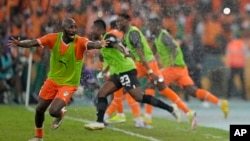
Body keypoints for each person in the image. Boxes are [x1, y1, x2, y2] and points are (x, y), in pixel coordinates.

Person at [8, 18, 107, 141]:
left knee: (53, 111)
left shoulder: (79, 41)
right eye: (70, 27)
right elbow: (34, 42)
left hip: (69, 84)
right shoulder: (53, 38)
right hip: (52, 80)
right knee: (39, 109)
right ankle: (38, 137)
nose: (74, 30)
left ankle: (60, 113)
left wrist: (99, 44)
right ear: (63, 29)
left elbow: (90, 44)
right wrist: (20, 44)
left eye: (75, 27)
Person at [84, 19, 180, 130]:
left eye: (93, 28)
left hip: (126, 70)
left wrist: (124, 52)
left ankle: (170, 108)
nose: (91, 31)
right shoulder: (103, 41)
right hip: (118, 73)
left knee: (139, 97)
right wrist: (105, 70)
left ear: (98, 29)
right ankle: (100, 122)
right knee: (102, 93)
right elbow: (113, 57)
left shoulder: (108, 37)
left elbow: (117, 45)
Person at [116, 13, 196, 128]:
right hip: (141, 63)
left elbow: (144, 53)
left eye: (120, 21)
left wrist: (150, 71)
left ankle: (187, 112)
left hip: (150, 64)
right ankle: (137, 118)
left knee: (161, 88)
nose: (117, 23)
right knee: (126, 86)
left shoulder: (138, 33)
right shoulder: (129, 35)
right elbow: (145, 51)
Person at [147, 17, 229, 120]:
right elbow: (152, 53)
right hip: (181, 68)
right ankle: (220, 103)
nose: (149, 28)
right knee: (192, 91)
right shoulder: (157, 37)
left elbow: (174, 48)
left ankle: (148, 118)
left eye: (151, 26)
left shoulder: (163, 36)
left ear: (157, 25)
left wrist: (171, 62)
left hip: (173, 68)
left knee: (151, 85)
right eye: (148, 26)